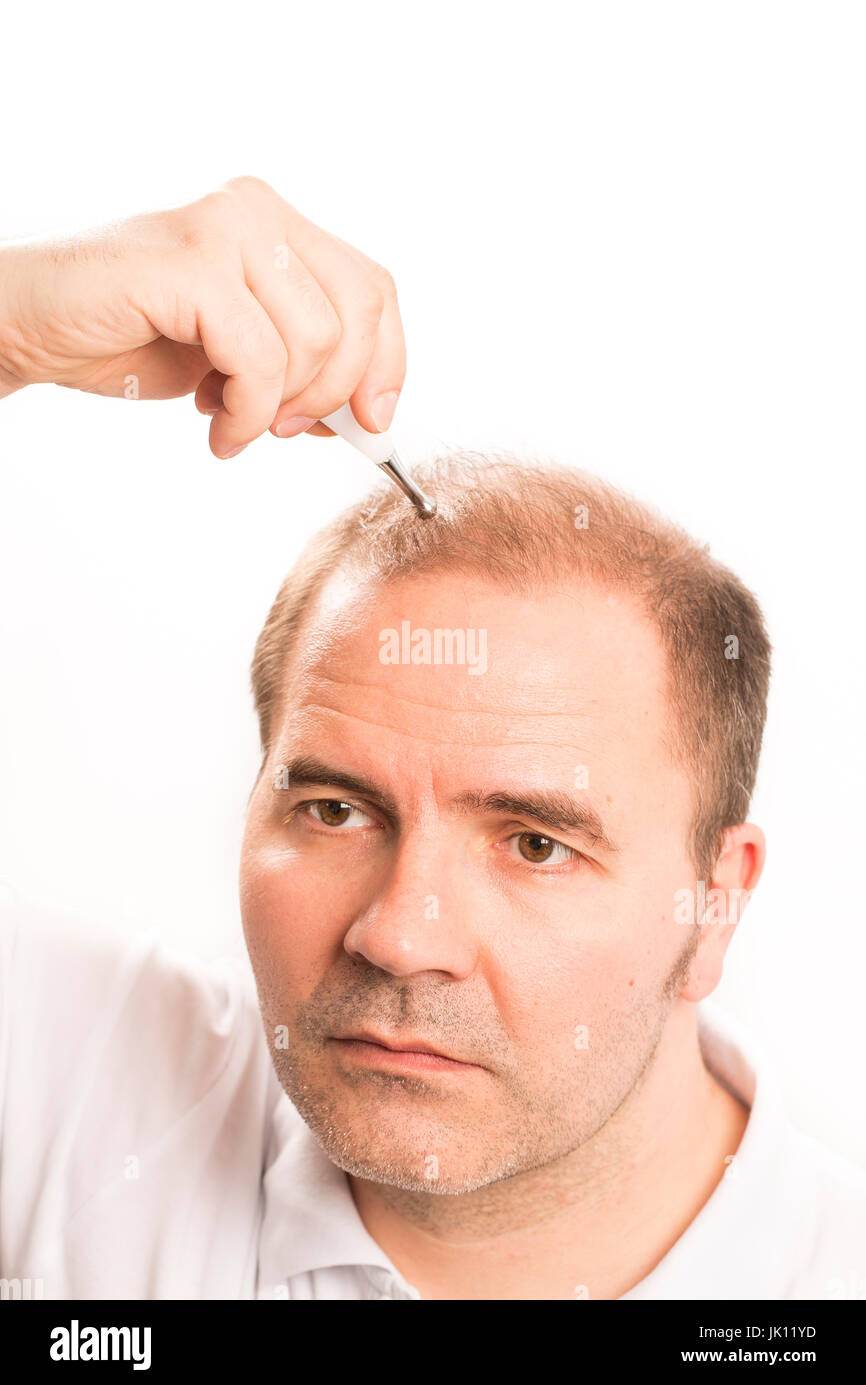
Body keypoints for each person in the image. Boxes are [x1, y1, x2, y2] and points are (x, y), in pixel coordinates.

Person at [0, 180, 864, 1302]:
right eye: (334, 810)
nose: (401, 937)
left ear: (713, 902)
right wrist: (14, 321)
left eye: (533, 843)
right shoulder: (78, 1088)